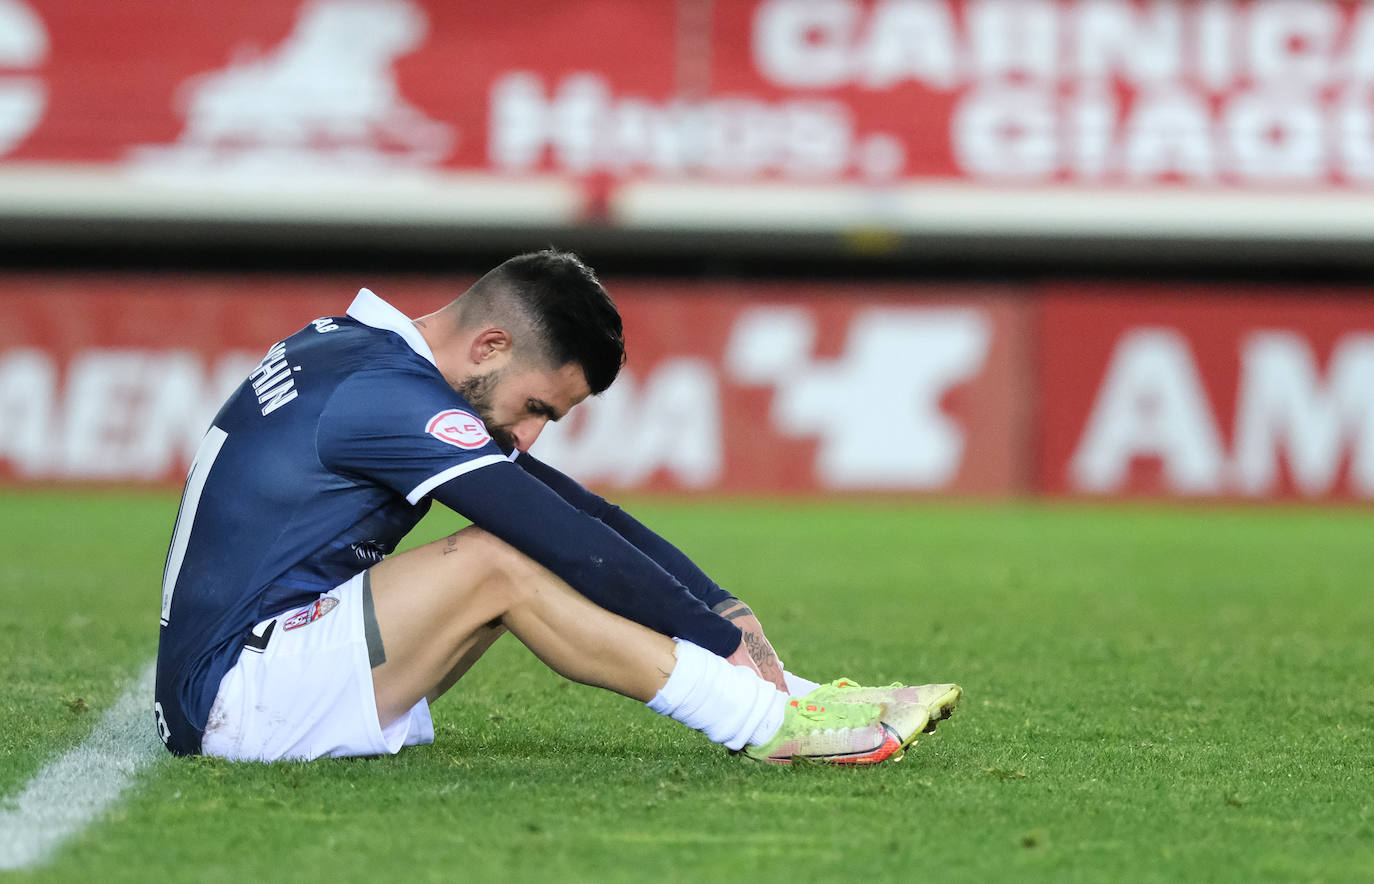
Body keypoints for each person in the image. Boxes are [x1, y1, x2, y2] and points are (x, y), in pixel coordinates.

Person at [153, 249, 961, 765]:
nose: (531, 437)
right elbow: (553, 537)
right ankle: (768, 729)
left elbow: (582, 513)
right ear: (492, 345)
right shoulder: (389, 399)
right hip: (235, 700)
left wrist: (726, 609)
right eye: (539, 406)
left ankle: (797, 700)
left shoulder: (361, 354)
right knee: (498, 559)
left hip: (257, 664)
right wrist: (717, 642)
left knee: (512, 543)